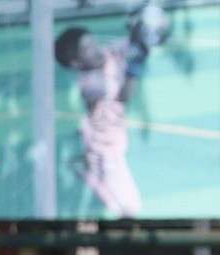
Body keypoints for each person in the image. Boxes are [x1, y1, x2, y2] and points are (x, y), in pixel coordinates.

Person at [54, 5, 168, 218]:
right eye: (87, 49)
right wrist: (135, 67)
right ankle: (88, 171)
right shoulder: (91, 84)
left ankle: (85, 164)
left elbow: (126, 47)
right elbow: (123, 95)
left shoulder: (103, 53)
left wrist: (139, 35)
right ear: (77, 63)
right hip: (104, 153)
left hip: (112, 140)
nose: (95, 48)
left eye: (92, 42)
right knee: (130, 209)